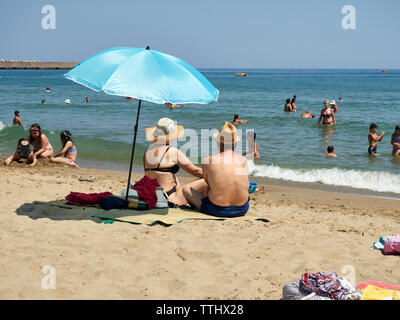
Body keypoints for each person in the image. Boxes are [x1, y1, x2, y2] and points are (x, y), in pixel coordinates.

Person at [182, 122, 250, 217]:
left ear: (218, 142)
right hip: (242, 209)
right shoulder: (243, 160)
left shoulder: (208, 161)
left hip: (218, 210)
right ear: (235, 143)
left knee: (186, 189)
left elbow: (208, 185)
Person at [144, 118, 204, 207]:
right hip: (169, 197)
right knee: (205, 180)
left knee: (169, 173)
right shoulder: (172, 151)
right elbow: (195, 171)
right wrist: (212, 175)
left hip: (150, 194)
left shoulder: (148, 150)